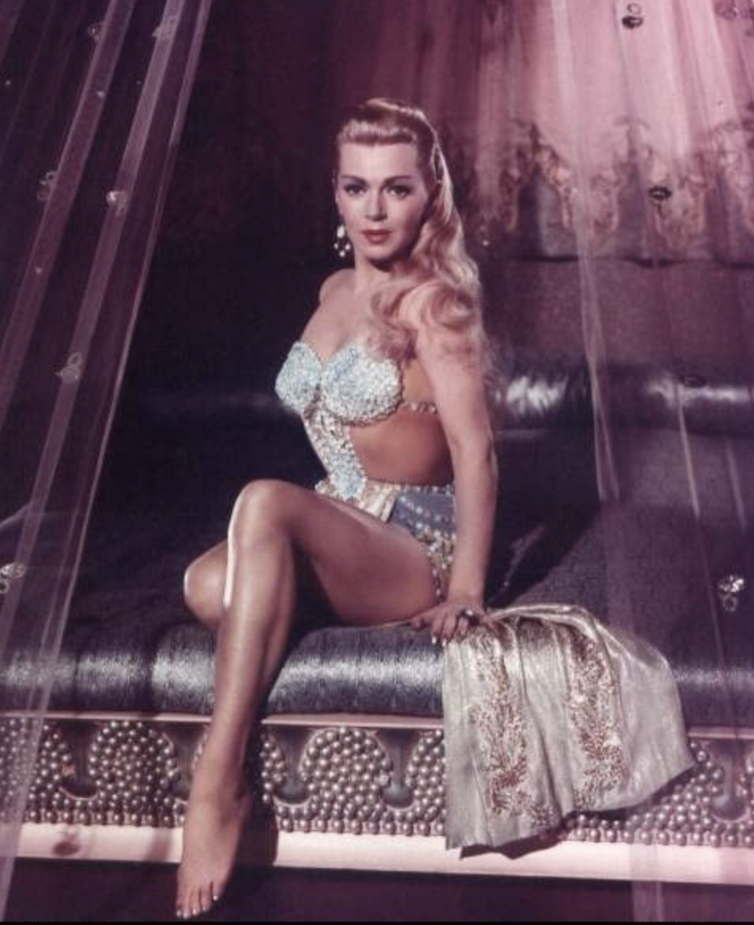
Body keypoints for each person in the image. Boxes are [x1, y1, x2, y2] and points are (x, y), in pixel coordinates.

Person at [174, 97, 501, 920]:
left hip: (414, 543)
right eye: (357, 187)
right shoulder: (330, 290)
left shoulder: (434, 304)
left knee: (262, 501)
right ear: (336, 193)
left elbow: (477, 452)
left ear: (430, 195)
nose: (375, 209)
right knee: (204, 587)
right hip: (344, 523)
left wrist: (466, 587)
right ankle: (284, 608)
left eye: (397, 188)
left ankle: (217, 783)